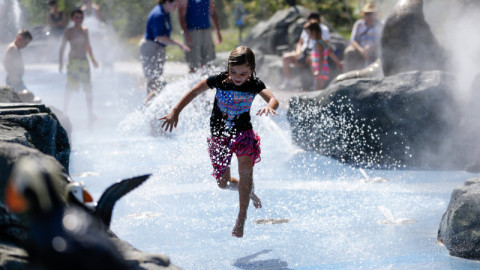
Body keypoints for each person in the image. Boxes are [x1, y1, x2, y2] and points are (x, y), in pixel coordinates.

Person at [160, 46, 279, 238]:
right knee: (222, 183)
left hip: (243, 133)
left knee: (246, 171)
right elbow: (193, 92)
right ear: (228, 68)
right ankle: (246, 190)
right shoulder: (219, 80)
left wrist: (269, 106)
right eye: (234, 72)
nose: (238, 76)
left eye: (243, 73)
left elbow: (273, 99)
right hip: (219, 136)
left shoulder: (255, 84)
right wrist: (175, 111)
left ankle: (241, 219)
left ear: (252, 70)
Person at [140, 0, 190, 104]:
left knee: (156, 80)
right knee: (155, 80)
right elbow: (158, 37)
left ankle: (150, 106)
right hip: (150, 48)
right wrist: (178, 44)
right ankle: (146, 107)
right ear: (167, 2)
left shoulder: (165, 13)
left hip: (156, 48)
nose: (176, 7)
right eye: (174, 5)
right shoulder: (158, 14)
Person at [59, 9, 98, 123]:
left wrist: (93, 60)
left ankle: (90, 113)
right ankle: (64, 112)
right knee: (69, 88)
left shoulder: (85, 31)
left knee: (88, 89)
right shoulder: (69, 31)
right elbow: (62, 47)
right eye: (76, 17)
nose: (79, 20)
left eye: (81, 17)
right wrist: (60, 62)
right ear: (72, 19)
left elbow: (88, 46)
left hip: (84, 62)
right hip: (73, 62)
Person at [280, 12, 331, 89]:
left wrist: (312, 53)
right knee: (285, 57)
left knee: (312, 59)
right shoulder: (307, 27)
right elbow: (300, 42)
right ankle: (288, 81)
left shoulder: (323, 29)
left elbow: (325, 45)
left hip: (313, 53)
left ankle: (315, 82)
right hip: (303, 52)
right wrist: (298, 52)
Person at [178, 0, 222, 73]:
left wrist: (218, 31)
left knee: (208, 62)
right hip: (192, 32)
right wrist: (186, 34)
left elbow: (213, 12)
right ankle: (193, 83)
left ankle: (206, 82)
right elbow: (181, 16)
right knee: (193, 64)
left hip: (206, 30)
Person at [343, 1, 383, 72]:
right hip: (360, 48)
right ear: (363, 14)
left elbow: (382, 40)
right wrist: (361, 50)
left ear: (375, 14)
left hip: (375, 48)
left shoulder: (380, 25)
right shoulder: (359, 24)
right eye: (367, 14)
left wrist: (371, 47)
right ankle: (349, 72)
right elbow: (353, 40)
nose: (368, 16)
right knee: (349, 51)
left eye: (371, 13)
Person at [304, 21, 342, 90]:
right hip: (322, 67)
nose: (308, 36)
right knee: (318, 87)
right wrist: (338, 62)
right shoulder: (323, 41)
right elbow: (329, 52)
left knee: (318, 89)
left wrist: (318, 70)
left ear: (314, 32)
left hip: (320, 68)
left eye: (308, 33)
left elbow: (321, 57)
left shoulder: (318, 44)